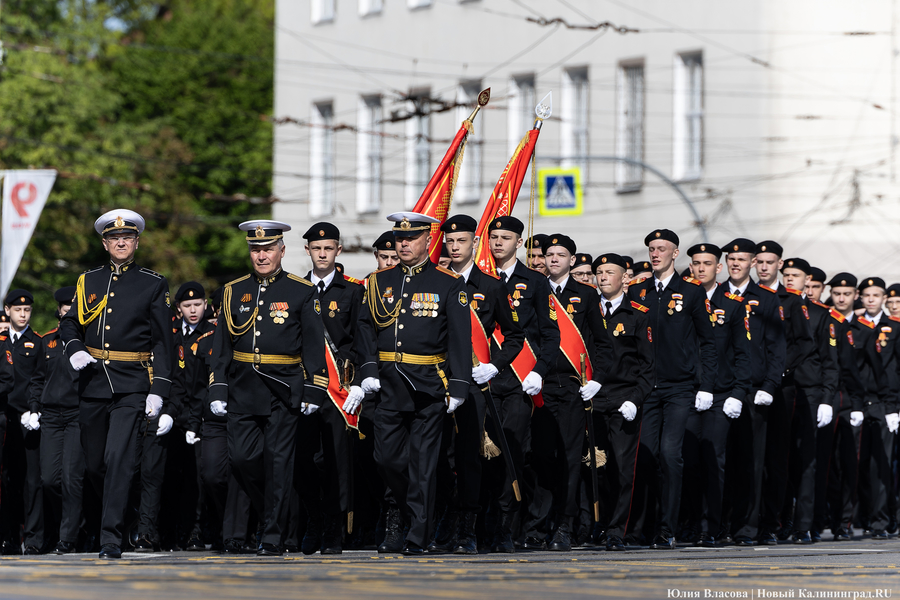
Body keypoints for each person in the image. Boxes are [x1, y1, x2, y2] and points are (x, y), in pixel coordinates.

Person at [208, 219, 328, 556]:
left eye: (268, 249)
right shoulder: (233, 291)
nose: (262, 256)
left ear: (281, 251)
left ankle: (273, 535)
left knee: (278, 464)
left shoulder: (301, 291)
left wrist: (315, 387)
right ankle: (276, 517)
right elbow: (222, 348)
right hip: (243, 388)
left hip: (283, 389)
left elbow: (314, 345)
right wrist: (218, 388)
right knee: (244, 461)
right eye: (256, 249)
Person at [60, 209, 174, 559]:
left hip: (132, 383)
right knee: (96, 464)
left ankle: (111, 537)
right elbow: (70, 326)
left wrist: (160, 390)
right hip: (93, 383)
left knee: (119, 459)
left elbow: (163, 341)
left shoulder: (153, 283)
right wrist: (75, 348)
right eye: (113, 237)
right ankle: (117, 514)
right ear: (105, 243)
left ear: (136, 242)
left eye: (127, 237)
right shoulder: (88, 281)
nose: (120, 242)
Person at [356, 212, 472, 555]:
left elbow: (459, 339)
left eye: (411, 238)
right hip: (388, 385)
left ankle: (417, 535)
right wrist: (367, 369)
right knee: (386, 460)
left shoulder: (448, 283)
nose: (403, 244)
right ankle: (416, 512)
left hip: (429, 386)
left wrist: (460, 385)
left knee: (422, 465)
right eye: (399, 239)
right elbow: (364, 327)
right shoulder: (378, 282)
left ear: (427, 240)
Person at [431, 214, 524, 554]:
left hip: (472, 384)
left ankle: (466, 529)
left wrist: (494, 366)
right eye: (450, 242)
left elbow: (515, 337)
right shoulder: (434, 281)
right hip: (436, 381)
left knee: (469, 456)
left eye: (461, 241)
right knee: (438, 456)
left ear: (474, 244)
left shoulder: (491, 286)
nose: (454, 247)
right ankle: (443, 518)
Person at [627, 229, 717, 549]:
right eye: (651, 248)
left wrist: (705, 384)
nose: (655, 254)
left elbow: (708, 341)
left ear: (674, 253)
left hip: (680, 387)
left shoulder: (691, 292)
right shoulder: (637, 292)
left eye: (661, 249)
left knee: (670, 454)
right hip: (646, 388)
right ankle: (643, 526)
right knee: (646, 457)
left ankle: (668, 527)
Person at [524, 234, 611, 551]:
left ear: (572, 260)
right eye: (550, 254)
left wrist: (597, 379)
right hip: (540, 384)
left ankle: (565, 525)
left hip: (574, 386)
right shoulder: (533, 288)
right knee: (543, 457)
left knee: (571, 459)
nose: (554, 259)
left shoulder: (586, 295)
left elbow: (601, 342)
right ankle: (538, 524)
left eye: (562, 254)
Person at [486, 216, 560, 553]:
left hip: (519, 379)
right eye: (494, 236)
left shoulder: (534, 281)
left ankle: (508, 525)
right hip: (484, 377)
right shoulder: (480, 279)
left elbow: (550, 333)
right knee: (482, 454)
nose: (498, 242)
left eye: (506, 237)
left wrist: (539, 371)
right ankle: (481, 524)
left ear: (520, 242)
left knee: (512, 451)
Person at [296, 222, 364, 555]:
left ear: (338, 251)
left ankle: (334, 529)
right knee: (305, 461)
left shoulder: (352, 291)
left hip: (339, 390)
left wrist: (358, 380)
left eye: (329, 248)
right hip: (306, 389)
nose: (322, 254)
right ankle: (313, 520)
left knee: (337, 462)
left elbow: (359, 340)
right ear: (307, 251)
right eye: (316, 248)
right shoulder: (296, 289)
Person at [681, 243, 751, 547]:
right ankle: (690, 522)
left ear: (718, 268)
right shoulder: (679, 298)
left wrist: (738, 392)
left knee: (714, 459)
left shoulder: (732, 304)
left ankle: (712, 526)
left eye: (707, 263)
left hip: (720, 393)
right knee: (687, 460)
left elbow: (743, 354)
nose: (700, 268)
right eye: (696, 263)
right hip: (686, 390)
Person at [716, 238, 785, 546]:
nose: (736, 263)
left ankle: (748, 526)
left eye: (742, 259)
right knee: (720, 459)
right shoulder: (714, 296)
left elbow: (776, 348)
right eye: (731, 259)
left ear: (753, 263)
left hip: (754, 391)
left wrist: (770, 386)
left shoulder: (766, 299)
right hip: (721, 389)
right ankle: (720, 523)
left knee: (752, 463)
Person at [754, 243, 822, 545]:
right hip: (751, 385)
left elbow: (803, 344)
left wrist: (779, 369)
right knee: (752, 456)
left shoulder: (792, 301)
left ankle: (777, 520)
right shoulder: (747, 297)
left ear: (778, 264)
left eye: (771, 262)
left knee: (778, 457)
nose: (765, 267)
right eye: (761, 262)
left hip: (782, 387)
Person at [592, 253, 654, 550]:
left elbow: (648, 366)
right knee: (597, 468)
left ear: (624, 279)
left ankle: (619, 529)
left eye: (609, 272)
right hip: (593, 398)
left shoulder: (637, 315)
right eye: (599, 272)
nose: (603, 277)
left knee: (622, 468)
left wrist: (635, 399)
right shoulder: (588, 311)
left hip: (623, 400)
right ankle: (599, 525)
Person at [776, 258, 836, 543]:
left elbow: (829, 361)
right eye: (785, 274)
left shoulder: (820, 314)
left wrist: (826, 398)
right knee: (779, 458)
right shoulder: (773, 305)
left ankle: (804, 525)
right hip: (782, 389)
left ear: (807, 279)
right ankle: (780, 520)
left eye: (795, 275)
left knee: (808, 461)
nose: (790, 279)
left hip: (810, 392)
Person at [28, 286, 83, 555]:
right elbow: (37, 379)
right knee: (49, 479)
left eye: (73, 306)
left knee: (72, 478)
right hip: (50, 416)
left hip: (76, 415)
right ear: (59, 310)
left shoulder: (85, 341)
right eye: (65, 307)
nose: (68, 310)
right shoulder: (47, 340)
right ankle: (64, 526)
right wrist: (34, 407)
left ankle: (68, 537)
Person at [854, 277, 900, 538]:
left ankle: (881, 520)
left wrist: (895, 405)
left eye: (877, 295)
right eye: (867, 295)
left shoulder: (893, 327)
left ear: (883, 298)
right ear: (861, 297)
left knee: (881, 465)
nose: (871, 299)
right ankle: (863, 517)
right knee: (859, 463)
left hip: (884, 403)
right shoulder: (853, 325)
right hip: (859, 402)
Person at [2, 289, 44, 554]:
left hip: (28, 417)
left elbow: (39, 379)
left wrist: (35, 409)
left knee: (32, 481)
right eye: (17, 310)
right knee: (8, 480)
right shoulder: (1, 340)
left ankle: (34, 539)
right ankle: (7, 536)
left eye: (27, 310)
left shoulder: (36, 342)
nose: (22, 314)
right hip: (5, 415)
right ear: (8, 311)